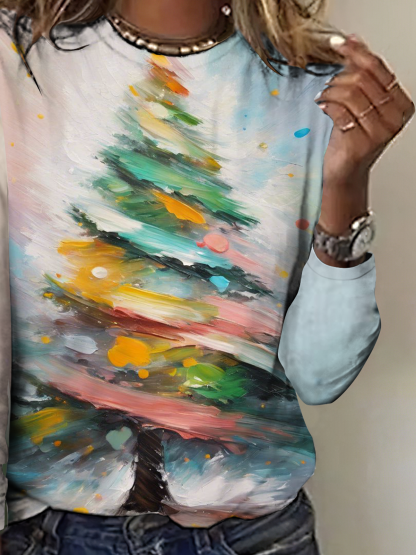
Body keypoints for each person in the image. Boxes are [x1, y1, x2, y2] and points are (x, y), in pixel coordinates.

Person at [0, 0, 413, 553]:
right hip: (46, 534)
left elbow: (319, 376)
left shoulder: (316, 87)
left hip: (253, 536)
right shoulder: (16, 59)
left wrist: (347, 182)